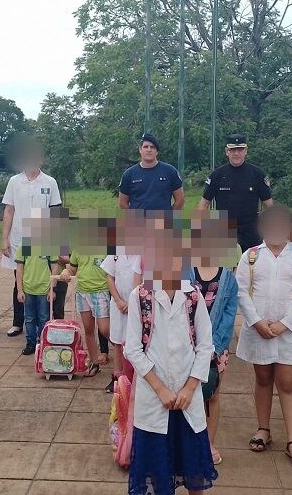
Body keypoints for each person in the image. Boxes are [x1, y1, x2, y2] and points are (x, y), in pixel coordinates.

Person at [124, 212, 217, 495]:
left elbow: (205, 346)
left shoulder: (193, 296)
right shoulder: (140, 296)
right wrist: (161, 389)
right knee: (159, 478)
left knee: (194, 476)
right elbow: (133, 349)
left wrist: (190, 388)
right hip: (156, 399)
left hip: (188, 399)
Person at [235, 205, 292, 469]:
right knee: (263, 378)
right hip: (259, 330)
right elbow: (241, 291)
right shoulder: (251, 256)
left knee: (288, 382)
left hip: (287, 333)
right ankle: (263, 429)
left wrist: (284, 324)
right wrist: (257, 322)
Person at [186, 213, 239, 466]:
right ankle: (187, 443)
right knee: (186, 393)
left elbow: (228, 318)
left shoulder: (228, 279)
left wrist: (212, 349)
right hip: (186, 346)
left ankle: (209, 443)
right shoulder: (185, 272)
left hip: (216, 351)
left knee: (212, 395)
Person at [1, 139, 61, 337]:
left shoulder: (50, 182)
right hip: (20, 238)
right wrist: (4, 239)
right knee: (20, 279)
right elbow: (9, 210)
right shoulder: (14, 181)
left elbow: (56, 212)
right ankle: (19, 323)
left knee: (47, 279)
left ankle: (49, 321)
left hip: (44, 239)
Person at [197, 134, 273, 252]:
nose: (236, 153)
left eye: (240, 149)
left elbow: (269, 206)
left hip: (252, 234)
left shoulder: (257, 174)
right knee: (227, 269)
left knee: (252, 269)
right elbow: (203, 205)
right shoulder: (217, 175)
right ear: (227, 151)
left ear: (246, 151)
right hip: (224, 233)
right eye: (232, 150)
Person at [60, 243, 111, 377]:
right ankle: (94, 362)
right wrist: (66, 271)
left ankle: (125, 352)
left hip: (101, 292)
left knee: (105, 329)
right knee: (88, 329)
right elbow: (72, 269)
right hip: (82, 293)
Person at [100, 242, 142, 393]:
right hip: (118, 304)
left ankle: (133, 378)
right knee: (117, 341)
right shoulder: (116, 252)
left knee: (134, 342)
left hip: (137, 305)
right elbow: (109, 278)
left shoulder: (143, 252)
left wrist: (132, 303)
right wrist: (118, 300)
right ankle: (117, 378)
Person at [119, 134, 185, 211]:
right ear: (140, 149)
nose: (149, 150)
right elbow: (122, 203)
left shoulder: (170, 171)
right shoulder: (129, 174)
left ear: (157, 151)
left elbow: (180, 200)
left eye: (152, 147)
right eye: (145, 147)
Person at [14, 242, 58, 356]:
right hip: (28, 289)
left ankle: (43, 342)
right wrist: (20, 290)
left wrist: (52, 289)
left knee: (44, 317)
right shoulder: (24, 246)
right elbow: (19, 269)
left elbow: (54, 268)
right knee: (29, 318)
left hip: (44, 289)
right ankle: (31, 343)